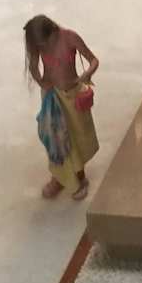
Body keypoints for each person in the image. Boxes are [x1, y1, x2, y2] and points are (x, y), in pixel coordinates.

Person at [24, 14, 100, 200]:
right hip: (53, 96)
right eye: (40, 46)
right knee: (56, 139)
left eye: (45, 44)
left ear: (53, 31)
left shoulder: (69, 37)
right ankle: (58, 177)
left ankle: (79, 175)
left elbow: (93, 60)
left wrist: (86, 74)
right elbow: (33, 65)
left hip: (73, 95)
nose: (44, 49)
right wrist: (42, 82)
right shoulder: (40, 45)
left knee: (77, 137)